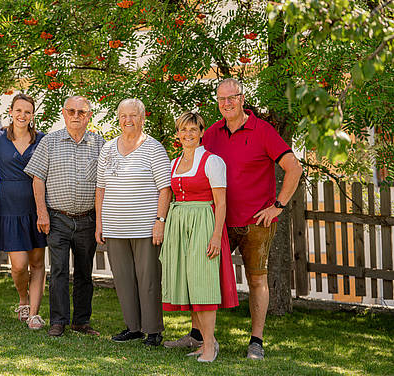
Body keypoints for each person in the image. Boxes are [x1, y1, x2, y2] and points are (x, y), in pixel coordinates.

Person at [165, 78, 302, 359]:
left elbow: (294, 168)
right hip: (217, 222)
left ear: (242, 98)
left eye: (232, 98)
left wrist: (278, 205)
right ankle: (198, 336)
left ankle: (256, 341)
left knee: (256, 280)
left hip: (256, 222)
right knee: (199, 276)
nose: (226, 103)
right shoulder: (211, 133)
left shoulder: (263, 131)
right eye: (221, 99)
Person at [160, 111, 238, 362]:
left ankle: (208, 348)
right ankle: (206, 340)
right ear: (177, 134)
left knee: (202, 283)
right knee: (189, 283)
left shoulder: (212, 161)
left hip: (204, 222)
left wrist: (216, 236)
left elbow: (221, 203)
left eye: (193, 129)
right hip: (179, 223)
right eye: (183, 130)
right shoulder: (174, 162)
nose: (188, 134)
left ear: (202, 132)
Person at [24, 96, 105, 337]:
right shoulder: (49, 142)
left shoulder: (99, 144)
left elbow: (106, 182)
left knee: (84, 272)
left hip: (87, 219)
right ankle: (58, 321)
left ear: (89, 115)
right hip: (57, 218)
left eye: (82, 111)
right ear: (63, 113)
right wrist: (42, 213)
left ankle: (81, 321)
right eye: (71, 111)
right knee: (58, 271)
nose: (76, 115)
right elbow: (38, 178)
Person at [95, 98, 171, 346]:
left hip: (145, 227)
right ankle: (133, 327)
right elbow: (100, 189)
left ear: (142, 118)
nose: (128, 120)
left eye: (134, 116)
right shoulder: (107, 149)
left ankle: (153, 330)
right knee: (124, 279)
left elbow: (165, 189)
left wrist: (159, 221)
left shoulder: (154, 148)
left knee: (148, 278)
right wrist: (100, 223)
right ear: (118, 119)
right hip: (115, 227)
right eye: (124, 116)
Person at [0, 93, 47, 330]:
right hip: (9, 207)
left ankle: (34, 313)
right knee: (18, 265)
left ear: (32, 115)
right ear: (11, 112)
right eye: (18, 110)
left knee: (36, 262)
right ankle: (22, 300)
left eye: (27, 111)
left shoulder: (42, 140)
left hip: (36, 207)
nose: (22, 115)